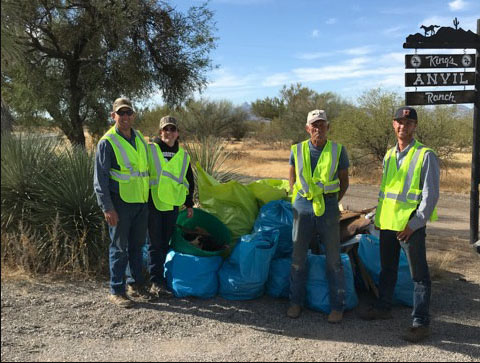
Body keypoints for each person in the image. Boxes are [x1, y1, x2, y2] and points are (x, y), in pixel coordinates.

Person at [360, 106, 440, 343]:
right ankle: (384, 308)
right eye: (399, 122)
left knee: (419, 276)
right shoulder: (388, 155)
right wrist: (376, 218)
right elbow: (387, 193)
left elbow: (430, 195)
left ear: (414, 126)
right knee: (388, 269)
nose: (402, 126)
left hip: (410, 228)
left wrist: (414, 224)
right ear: (393, 125)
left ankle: (420, 322)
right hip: (387, 224)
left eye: (408, 122)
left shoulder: (425, 155)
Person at [287, 109, 350, 323]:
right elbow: (292, 180)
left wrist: (331, 200)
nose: (318, 128)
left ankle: (337, 306)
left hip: (329, 208)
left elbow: (344, 182)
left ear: (328, 127)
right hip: (302, 207)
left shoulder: (338, 151)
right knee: (298, 257)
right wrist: (300, 201)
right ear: (307, 128)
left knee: (333, 259)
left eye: (322, 124)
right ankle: (295, 303)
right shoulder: (296, 150)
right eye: (314, 125)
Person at [94, 97, 150, 308]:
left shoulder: (140, 139)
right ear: (113, 116)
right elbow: (100, 179)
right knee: (119, 248)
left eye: (128, 113)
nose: (125, 117)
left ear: (133, 115)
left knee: (137, 246)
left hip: (140, 202)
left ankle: (135, 285)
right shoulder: (107, 142)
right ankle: (116, 290)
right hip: (120, 204)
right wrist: (107, 207)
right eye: (121, 113)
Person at [146, 115, 195, 298]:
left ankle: (163, 279)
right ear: (160, 132)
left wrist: (189, 204)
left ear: (178, 133)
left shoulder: (183, 155)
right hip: (153, 203)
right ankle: (155, 281)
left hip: (172, 204)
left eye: (172, 129)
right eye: (165, 129)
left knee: (165, 242)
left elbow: (189, 180)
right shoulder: (150, 149)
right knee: (154, 243)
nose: (169, 132)